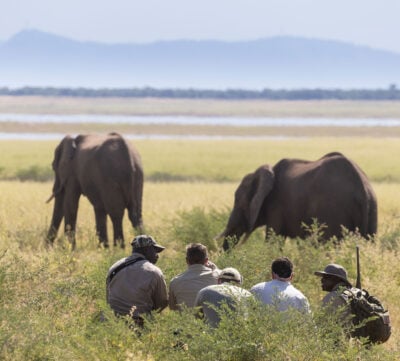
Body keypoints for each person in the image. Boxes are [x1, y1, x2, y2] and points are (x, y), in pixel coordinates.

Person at [106, 235, 168, 325]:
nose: (157, 255)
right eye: (155, 250)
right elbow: (161, 303)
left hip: (112, 322)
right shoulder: (154, 271)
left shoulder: (115, 267)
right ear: (147, 250)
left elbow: (108, 298)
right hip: (139, 324)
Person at [169, 243, 220, 311]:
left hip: (186, 320)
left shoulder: (175, 282)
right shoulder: (217, 277)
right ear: (206, 260)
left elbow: (172, 308)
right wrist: (216, 269)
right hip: (211, 320)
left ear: (187, 260)